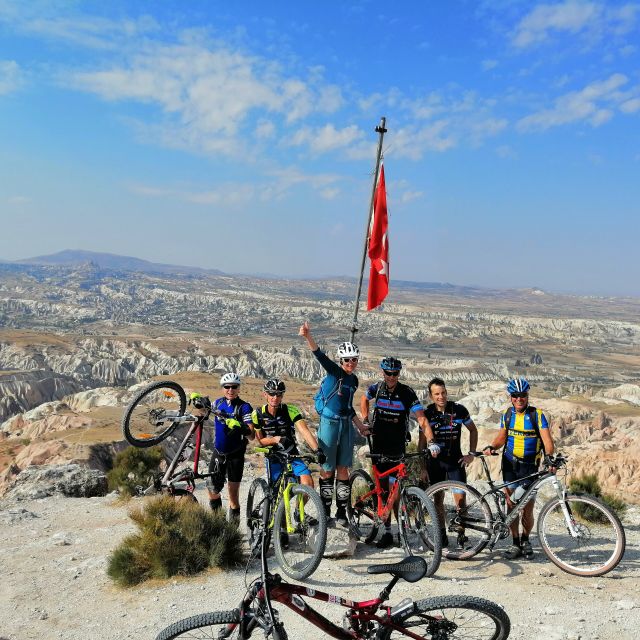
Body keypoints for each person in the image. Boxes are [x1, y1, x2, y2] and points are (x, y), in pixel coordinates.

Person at [360, 356, 439, 548]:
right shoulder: (376, 389)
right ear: (383, 372)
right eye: (388, 373)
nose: (392, 377)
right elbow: (364, 398)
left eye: (395, 373)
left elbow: (421, 419)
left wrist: (431, 440)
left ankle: (399, 530)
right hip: (378, 444)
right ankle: (386, 531)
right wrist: (364, 418)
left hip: (397, 447)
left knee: (395, 491)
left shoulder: (406, 392)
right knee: (383, 489)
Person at [298, 320, 368, 527]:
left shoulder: (353, 380)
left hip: (345, 426)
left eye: (354, 359)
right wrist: (307, 336)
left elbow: (348, 407)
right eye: (347, 360)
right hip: (329, 425)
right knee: (327, 469)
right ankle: (325, 510)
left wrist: (360, 426)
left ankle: (341, 512)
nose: (350, 363)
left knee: (343, 469)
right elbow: (319, 355)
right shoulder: (335, 372)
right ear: (341, 360)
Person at [483, 377, 554, 560]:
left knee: (527, 508)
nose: (519, 399)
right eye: (515, 396)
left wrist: (550, 458)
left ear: (527, 396)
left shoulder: (537, 415)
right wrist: (492, 447)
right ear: (511, 397)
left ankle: (526, 539)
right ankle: (515, 543)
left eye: (522, 395)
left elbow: (547, 441)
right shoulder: (508, 415)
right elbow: (501, 437)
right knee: (511, 505)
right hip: (509, 465)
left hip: (530, 467)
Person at [424, 377, 479, 548]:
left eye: (443, 393)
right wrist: (421, 467)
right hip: (435, 463)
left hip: (455, 461)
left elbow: (473, 430)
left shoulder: (459, 410)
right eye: (437, 394)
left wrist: (471, 454)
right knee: (438, 499)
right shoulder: (428, 413)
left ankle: (461, 535)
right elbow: (421, 440)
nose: (441, 397)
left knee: (460, 501)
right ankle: (441, 534)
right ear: (431, 396)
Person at [251, 378, 326, 489]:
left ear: (282, 396)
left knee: (308, 484)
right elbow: (261, 441)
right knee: (275, 491)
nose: (275, 398)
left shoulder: (290, 410)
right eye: (272, 394)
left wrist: (317, 450)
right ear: (265, 394)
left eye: (279, 394)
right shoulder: (257, 414)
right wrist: (275, 440)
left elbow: (304, 431)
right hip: (273, 456)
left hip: (291, 454)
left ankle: (297, 507)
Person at [207, 372, 254, 522]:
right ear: (222, 388)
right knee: (212, 490)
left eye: (234, 386)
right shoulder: (217, 403)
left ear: (239, 388)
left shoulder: (244, 407)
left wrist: (240, 426)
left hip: (235, 456)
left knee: (233, 496)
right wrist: (198, 402)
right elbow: (203, 412)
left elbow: (252, 435)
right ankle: (218, 524)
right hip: (218, 453)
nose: (230, 390)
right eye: (227, 386)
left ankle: (232, 534)